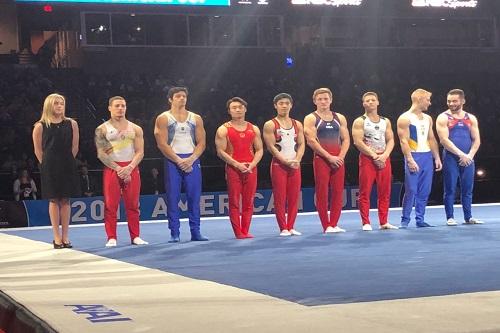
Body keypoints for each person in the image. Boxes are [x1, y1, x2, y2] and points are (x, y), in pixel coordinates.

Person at [154, 87, 208, 243]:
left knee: (194, 197)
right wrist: (178, 160)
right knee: (173, 197)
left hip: (192, 159)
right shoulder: (164, 118)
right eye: (178, 96)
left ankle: (195, 232)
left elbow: (202, 143)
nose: (182, 99)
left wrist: (191, 159)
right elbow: (162, 144)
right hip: (172, 160)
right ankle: (174, 233)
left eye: (184, 96)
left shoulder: (195, 118)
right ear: (170, 99)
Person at [95, 96, 148, 247]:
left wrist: (130, 167)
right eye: (117, 106)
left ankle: (135, 236)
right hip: (113, 168)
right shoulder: (102, 129)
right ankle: (111, 237)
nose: (120, 108)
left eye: (123, 106)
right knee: (111, 205)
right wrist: (118, 168)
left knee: (133, 204)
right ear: (109, 108)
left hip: (131, 166)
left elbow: (140, 152)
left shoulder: (136, 128)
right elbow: (101, 153)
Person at [32, 93, 80, 249]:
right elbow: (38, 150)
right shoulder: (40, 126)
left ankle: (66, 237)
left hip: (67, 163)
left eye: (62, 103)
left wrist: (67, 161)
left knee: (66, 199)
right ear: (49, 106)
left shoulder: (71, 123)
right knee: (53, 199)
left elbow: (75, 146)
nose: (59, 106)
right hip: (49, 165)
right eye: (56, 103)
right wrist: (46, 164)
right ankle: (56, 237)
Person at [215, 97, 263, 239]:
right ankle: (238, 232)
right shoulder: (223, 129)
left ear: (245, 109)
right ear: (229, 111)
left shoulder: (253, 128)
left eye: (240, 107)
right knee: (234, 200)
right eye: (234, 107)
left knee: (249, 201)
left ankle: (245, 230)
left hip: (251, 168)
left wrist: (252, 165)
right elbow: (220, 151)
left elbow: (259, 149)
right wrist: (236, 164)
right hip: (233, 169)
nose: (237, 109)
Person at [303, 88, 350, 233]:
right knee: (322, 192)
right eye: (320, 99)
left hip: (338, 158)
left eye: (326, 99)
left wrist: (340, 157)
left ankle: (334, 224)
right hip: (322, 159)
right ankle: (326, 225)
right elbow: (311, 141)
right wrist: (329, 157)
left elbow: (346, 139)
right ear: (315, 101)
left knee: (337, 192)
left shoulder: (339, 117)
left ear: (331, 100)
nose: (323, 101)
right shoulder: (311, 118)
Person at [352, 92, 398, 231]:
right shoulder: (360, 121)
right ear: (363, 104)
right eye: (367, 101)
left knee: (385, 191)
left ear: (378, 102)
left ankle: (384, 221)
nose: (370, 102)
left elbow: (390, 140)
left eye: (373, 100)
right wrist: (374, 156)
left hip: (384, 157)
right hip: (368, 158)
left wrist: (385, 155)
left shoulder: (386, 121)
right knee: (365, 191)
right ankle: (366, 222)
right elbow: (357, 142)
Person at [436, 89, 482, 226]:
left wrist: (470, 156)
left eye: (454, 101)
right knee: (450, 188)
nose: (451, 103)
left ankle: (468, 217)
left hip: (468, 158)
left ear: (463, 101)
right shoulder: (443, 117)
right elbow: (444, 140)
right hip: (451, 157)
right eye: (449, 101)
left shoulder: (471, 118)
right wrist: (461, 154)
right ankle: (450, 217)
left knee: (468, 188)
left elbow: (477, 140)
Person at [397, 88, 442, 228]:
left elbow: (432, 138)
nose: (429, 103)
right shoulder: (405, 118)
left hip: (427, 156)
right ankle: (405, 219)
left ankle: (420, 219)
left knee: (425, 190)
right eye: (427, 100)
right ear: (419, 100)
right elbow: (403, 141)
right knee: (411, 189)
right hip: (414, 155)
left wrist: (437, 158)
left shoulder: (428, 118)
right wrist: (410, 159)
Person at [263, 93, 305, 236]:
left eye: (287, 103)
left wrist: (297, 160)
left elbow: (301, 144)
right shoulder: (270, 124)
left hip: (295, 164)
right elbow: (271, 147)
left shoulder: (297, 124)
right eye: (281, 103)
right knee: (280, 197)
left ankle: (291, 226)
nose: (284, 106)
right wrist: (284, 161)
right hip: (279, 165)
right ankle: (283, 228)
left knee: (294, 197)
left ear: (291, 105)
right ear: (275, 106)